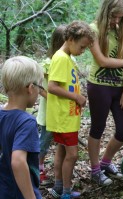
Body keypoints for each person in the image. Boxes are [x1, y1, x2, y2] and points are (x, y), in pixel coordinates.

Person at [47, 20, 95, 199]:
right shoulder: (60, 58)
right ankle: (66, 192)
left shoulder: (66, 57)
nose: (82, 52)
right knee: (73, 155)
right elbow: (52, 87)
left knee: (62, 150)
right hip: (63, 117)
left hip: (66, 116)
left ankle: (58, 186)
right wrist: (76, 97)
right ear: (69, 39)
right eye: (82, 47)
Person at [87, 0, 123, 186]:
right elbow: (102, 61)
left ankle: (106, 162)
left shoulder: (122, 30)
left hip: (120, 87)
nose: (116, 21)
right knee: (98, 127)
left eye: (120, 18)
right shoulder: (93, 30)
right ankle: (95, 169)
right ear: (106, 12)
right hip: (99, 85)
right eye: (114, 16)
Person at [0, 56, 43, 199]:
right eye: (40, 87)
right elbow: (18, 161)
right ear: (31, 88)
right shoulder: (26, 122)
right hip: (19, 195)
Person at [37, 24, 66, 186]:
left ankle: (59, 173)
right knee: (45, 141)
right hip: (49, 111)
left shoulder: (69, 59)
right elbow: (39, 87)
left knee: (61, 141)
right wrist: (53, 98)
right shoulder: (48, 63)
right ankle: (38, 167)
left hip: (62, 112)